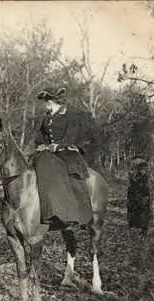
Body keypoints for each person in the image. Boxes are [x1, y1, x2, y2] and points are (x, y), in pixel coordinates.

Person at [33, 87, 94, 225]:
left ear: (53, 101)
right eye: (45, 101)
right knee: (38, 163)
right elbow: (40, 135)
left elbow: (71, 135)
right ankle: (48, 210)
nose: (45, 104)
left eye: (47, 101)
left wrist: (58, 146)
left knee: (71, 173)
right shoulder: (46, 117)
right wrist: (42, 145)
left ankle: (79, 212)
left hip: (66, 150)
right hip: (49, 151)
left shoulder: (69, 115)